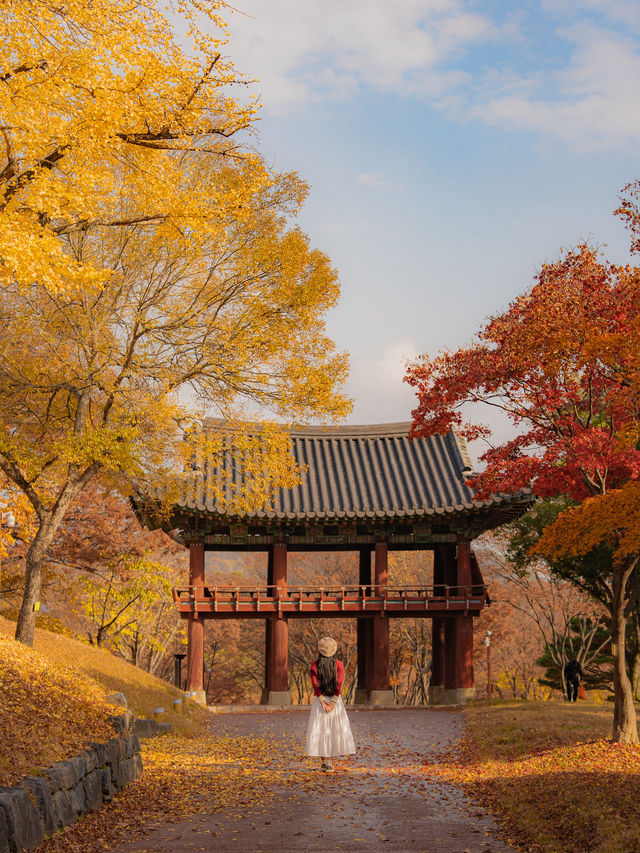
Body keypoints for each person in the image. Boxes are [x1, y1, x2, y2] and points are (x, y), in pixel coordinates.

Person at [305, 636, 355, 772]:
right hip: (335, 701)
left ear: (320, 650)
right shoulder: (339, 664)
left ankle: (324, 762)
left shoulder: (314, 665)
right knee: (333, 730)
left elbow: (315, 685)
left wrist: (322, 701)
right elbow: (339, 683)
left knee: (320, 730)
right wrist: (333, 702)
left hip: (319, 701)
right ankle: (330, 763)